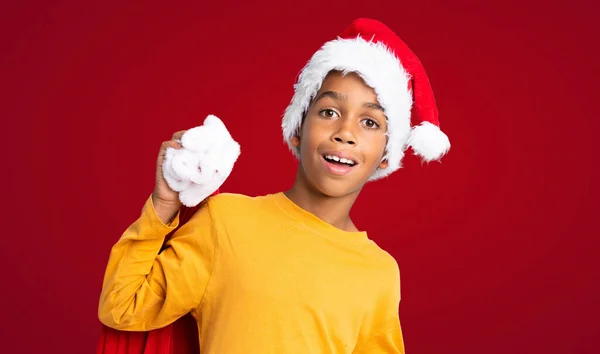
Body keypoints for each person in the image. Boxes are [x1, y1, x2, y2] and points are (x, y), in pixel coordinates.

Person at [98, 18, 450, 353]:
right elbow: (123, 306)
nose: (345, 133)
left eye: (370, 122)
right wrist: (164, 203)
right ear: (297, 129)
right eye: (328, 112)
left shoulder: (380, 273)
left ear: (385, 156)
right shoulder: (225, 221)